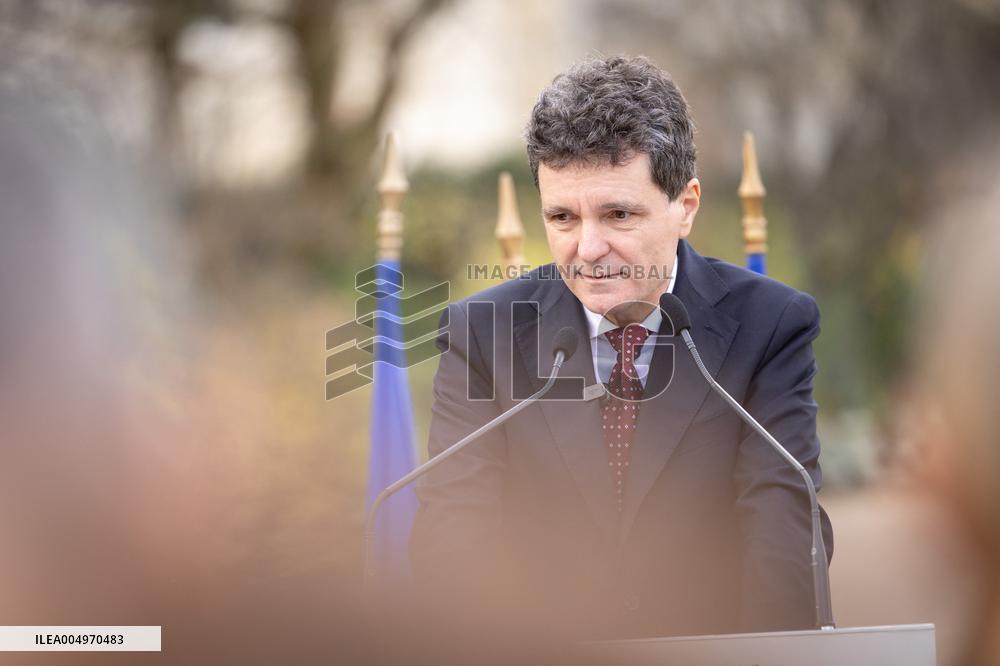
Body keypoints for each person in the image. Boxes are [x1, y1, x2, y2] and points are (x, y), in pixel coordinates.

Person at [409, 55, 833, 640]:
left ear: (685, 206)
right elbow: (453, 542)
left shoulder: (771, 325)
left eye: (618, 215)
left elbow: (783, 535)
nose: (587, 248)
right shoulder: (481, 335)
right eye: (562, 216)